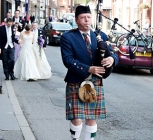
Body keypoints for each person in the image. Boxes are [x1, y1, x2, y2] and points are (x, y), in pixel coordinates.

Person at [60, 5, 119, 140]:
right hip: (76, 81)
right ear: (76, 20)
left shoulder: (100, 36)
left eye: (88, 17)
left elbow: (115, 54)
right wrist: (88, 69)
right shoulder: (68, 37)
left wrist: (112, 59)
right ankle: (74, 138)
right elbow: (67, 60)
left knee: (92, 119)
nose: (86, 20)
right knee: (77, 119)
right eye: (82, 18)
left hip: (95, 82)